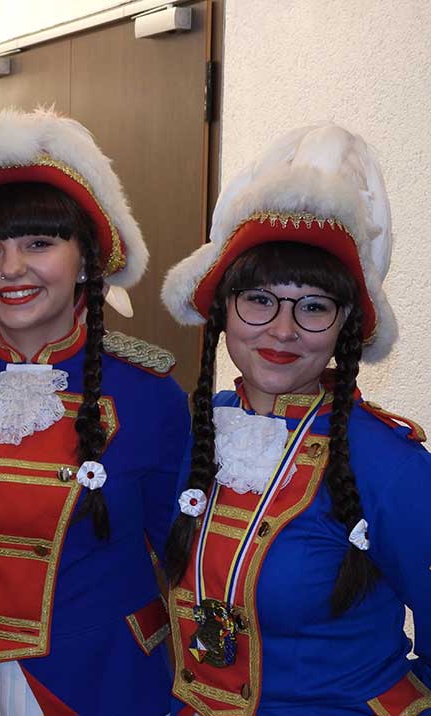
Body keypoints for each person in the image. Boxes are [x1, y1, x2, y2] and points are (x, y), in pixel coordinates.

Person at [0, 108, 190, 716]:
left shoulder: (148, 394)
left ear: (86, 259)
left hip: (98, 681)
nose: (11, 268)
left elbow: (184, 562)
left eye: (39, 243)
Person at [161, 123, 431, 715]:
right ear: (223, 310)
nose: (282, 331)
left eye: (313, 307)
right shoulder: (190, 432)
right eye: (259, 300)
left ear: (345, 326)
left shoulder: (391, 465)